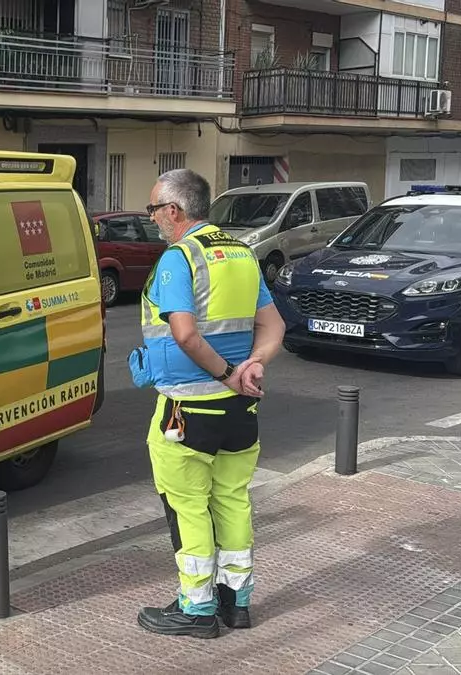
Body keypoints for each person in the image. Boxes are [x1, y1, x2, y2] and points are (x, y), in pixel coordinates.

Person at [129, 168, 285, 638]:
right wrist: (252, 365)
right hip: (240, 412)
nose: (152, 217)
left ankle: (196, 610)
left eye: (153, 209)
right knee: (233, 501)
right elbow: (274, 325)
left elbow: (184, 333)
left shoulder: (181, 258)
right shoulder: (240, 253)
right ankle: (236, 603)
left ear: (173, 211)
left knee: (188, 508)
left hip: (187, 410)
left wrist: (225, 374)